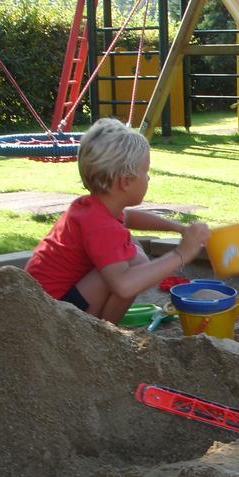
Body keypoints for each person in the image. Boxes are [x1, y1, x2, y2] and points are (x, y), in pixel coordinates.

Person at [25, 117, 210, 323]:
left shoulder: (91, 207)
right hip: (51, 316)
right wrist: (182, 253)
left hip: (41, 304)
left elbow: (129, 217)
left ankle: (103, 329)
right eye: (145, 172)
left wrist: (178, 228)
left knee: (132, 254)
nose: (148, 178)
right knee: (130, 268)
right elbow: (124, 286)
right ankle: (104, 333)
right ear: (125, 182)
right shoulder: (102, 226)